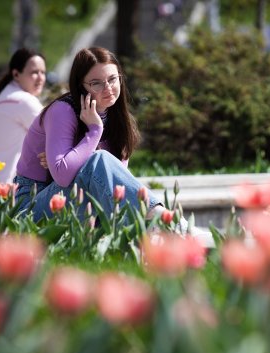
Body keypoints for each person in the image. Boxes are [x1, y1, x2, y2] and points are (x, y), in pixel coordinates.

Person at [13, 46, 168, 224]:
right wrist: (94, 131)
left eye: (112, 79)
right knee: (97, 159)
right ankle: (161, 219)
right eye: (96, 83)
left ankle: (155, 227)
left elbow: (112, 181)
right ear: (82, 87)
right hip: (33, 205)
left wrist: (77, 160)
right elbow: (63, 177)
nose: (108, 88)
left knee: (98, 165)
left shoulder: (117, 118)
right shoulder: (62, 111)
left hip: (77, 200)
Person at [0, 48, 47, 197]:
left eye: (43, 72)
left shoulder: (3, 97)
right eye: (34, 72)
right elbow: (56, 134)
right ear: (16, 74)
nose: (40, 78)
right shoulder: (23, 100)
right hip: (9, 185)